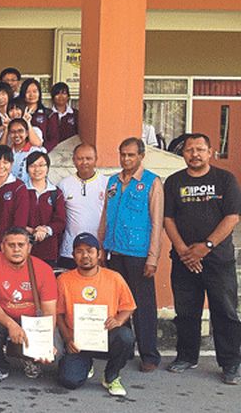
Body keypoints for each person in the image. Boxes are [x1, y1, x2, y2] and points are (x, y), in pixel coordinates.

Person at [163, 133, 241, 385]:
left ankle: (230, 363)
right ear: (183, 153)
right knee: (186, 312)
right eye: (189, 150)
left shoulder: (225, 179)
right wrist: (185, 251)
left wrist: (205, 247)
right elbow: (168, 219)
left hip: (218, 260)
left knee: (225, 312)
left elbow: (232, 218)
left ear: (210, 152)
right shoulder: (174, 182)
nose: (194, 154)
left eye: (200, 149)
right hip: (184, 260)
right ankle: (186, 356)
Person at [98, 137, 163, 372]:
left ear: (141, 156)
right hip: (114, 250)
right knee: (117, 305)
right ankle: (122, 350)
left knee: (143, 305)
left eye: (131, 155)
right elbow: (105, 216)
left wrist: (153, 257)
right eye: (123, 154)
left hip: (139, 254)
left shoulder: (151, 182)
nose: (126, 159)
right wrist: (101, 248)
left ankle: (149, 355)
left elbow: (157, 223)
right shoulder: (113, 182)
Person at [0, 227, 61, 385]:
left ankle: (31, 359)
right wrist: (11, 324)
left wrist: (45, 341)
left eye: (21, 245)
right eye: (11, 245)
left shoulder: (43, 269)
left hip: (33, 320)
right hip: (2, 318)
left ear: (29, 247)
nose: (16, 249)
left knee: (56, 350)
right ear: (2, 246)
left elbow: (49, 310)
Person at [57, 233, 137, 396]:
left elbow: (129, 306)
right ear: (73, 256)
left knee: (126, 337)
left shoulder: (114, 278)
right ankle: (86, 363)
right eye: (79, 251)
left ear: (99, 254)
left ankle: (111, 376)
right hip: (78, 341)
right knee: (69, 381)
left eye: (90, 250)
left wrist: (118, 320)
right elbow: (58, 313)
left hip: (106, 338)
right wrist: (67, 339)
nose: (85, 255)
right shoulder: (64, 280)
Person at [57, 143, 108, 269]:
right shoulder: (64, 185)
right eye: (80, 158)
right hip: (70, 251)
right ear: (74, 160)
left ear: (96, 159)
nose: (84, 162)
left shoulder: (106, 183)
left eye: (88, 158)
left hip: (98, 251)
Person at [0, 146, 29, 257]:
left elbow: (20, 223)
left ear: (11, 164)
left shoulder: (19, 188)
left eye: (6, 162)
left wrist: (9, 244)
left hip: (10, 248)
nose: (1, 166)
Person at [25, 152, 66, 267]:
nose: (37, 169)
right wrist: (30, 230)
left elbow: (60, 221)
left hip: (49, 250)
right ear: (27, 169)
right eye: (32, 165)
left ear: (48, 168)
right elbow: (15, 217)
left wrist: (45, 230)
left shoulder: (55, 193)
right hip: (24, 248)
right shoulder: (21, 190)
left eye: (41, 165)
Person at [17, 78, 53, 148]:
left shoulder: (48, 114)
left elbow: (53, 139)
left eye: (35, 91)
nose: (31, 95)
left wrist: (42, 151)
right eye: (28, 92)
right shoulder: (17, 113)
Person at [46, 82, 78, 151]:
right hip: (52, 151)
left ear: (68, 96)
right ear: (52, 97)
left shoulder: (75, 114)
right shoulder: (48, 114)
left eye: (64, 93)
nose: (60, 96)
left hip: (71, 150)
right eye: (57, 94)